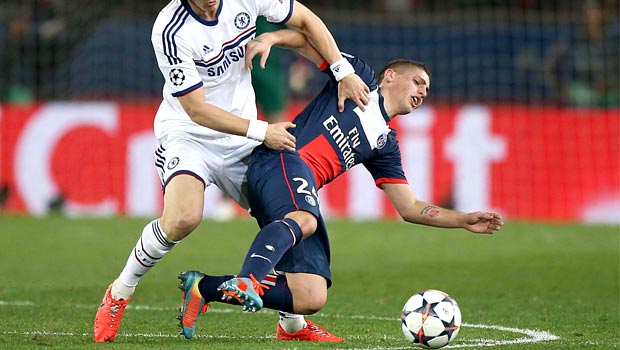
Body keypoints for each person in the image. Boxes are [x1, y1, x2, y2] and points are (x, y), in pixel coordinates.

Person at [176, 28, 504, 341]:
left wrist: (463, 220)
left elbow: (410, 208)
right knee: (306, 218)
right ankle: (247, 280)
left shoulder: (384, 144)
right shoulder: (354, 76)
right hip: (278, 158)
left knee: (310, 294)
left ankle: (205, 288)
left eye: (427, 90)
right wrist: (272, 38)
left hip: (296, 190)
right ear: (390, 76)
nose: (422, 92)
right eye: (418, 82)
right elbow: (306, 41)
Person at [93, 0, 371, 343]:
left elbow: (306, 19)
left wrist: (343, 72)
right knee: (183, 218)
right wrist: (262, 131)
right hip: (190, 134)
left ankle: (292, 325)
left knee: (285, 220)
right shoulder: (170, 29)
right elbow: (196, 110)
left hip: (242, 136)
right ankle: (120, 291)